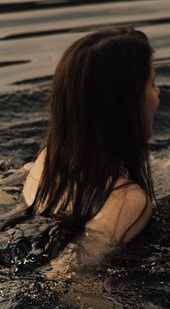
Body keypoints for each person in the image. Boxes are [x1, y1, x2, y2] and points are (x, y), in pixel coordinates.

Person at [22, 26, 159, 266]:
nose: (158, 94)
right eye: (153, 84)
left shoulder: (47, 160)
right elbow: (67, 278)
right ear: (127, 105)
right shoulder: (125, 199)